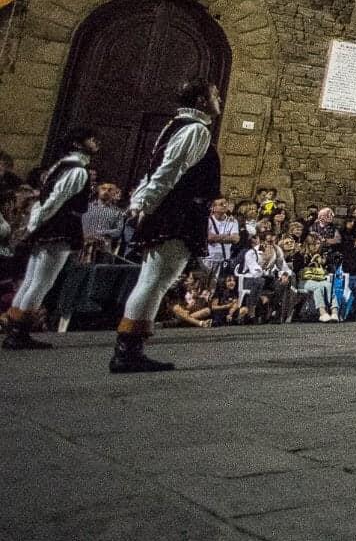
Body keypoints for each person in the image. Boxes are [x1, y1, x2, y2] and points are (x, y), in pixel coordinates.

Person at [112, 78, 224, 373]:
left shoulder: (174, 125)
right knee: (155, 281)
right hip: (177, 212)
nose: (219, 99)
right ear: (201, 101)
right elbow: (167, 171)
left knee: (153, 280)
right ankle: (128, 350)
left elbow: (154, 170)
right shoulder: (196, 129)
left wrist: (141, 202)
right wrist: (142, 204)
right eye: (215, 95)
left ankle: (130, 347)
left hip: (169, 210)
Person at [3, 127, 99, 350]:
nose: (95, 143)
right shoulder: (78, 171)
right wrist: (34, 226)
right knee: (41, 282)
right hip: (59, 227)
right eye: (91, 139)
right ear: (77, 144)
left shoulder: (61, 165)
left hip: (48, 227)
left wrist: (34, 226)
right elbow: (54, 200)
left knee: (31, 279)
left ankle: (14, 326)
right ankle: (19, 331)